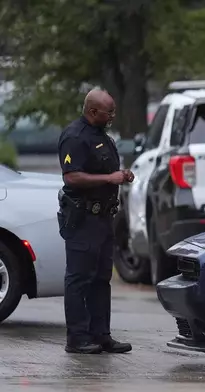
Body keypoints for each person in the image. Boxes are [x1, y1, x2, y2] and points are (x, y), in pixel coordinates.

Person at [57, 88, 135, 354]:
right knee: (79, 279)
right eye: (108, 112)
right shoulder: (74, 137)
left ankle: (101, 335)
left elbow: (105, 170)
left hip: (104, 219)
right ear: (92, 112)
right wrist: (109, 179)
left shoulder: (102, 136)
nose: (112, 116)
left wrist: (122, 174)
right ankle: (77, 338)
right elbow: (72, 177)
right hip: (83, 219)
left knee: (101, 279)